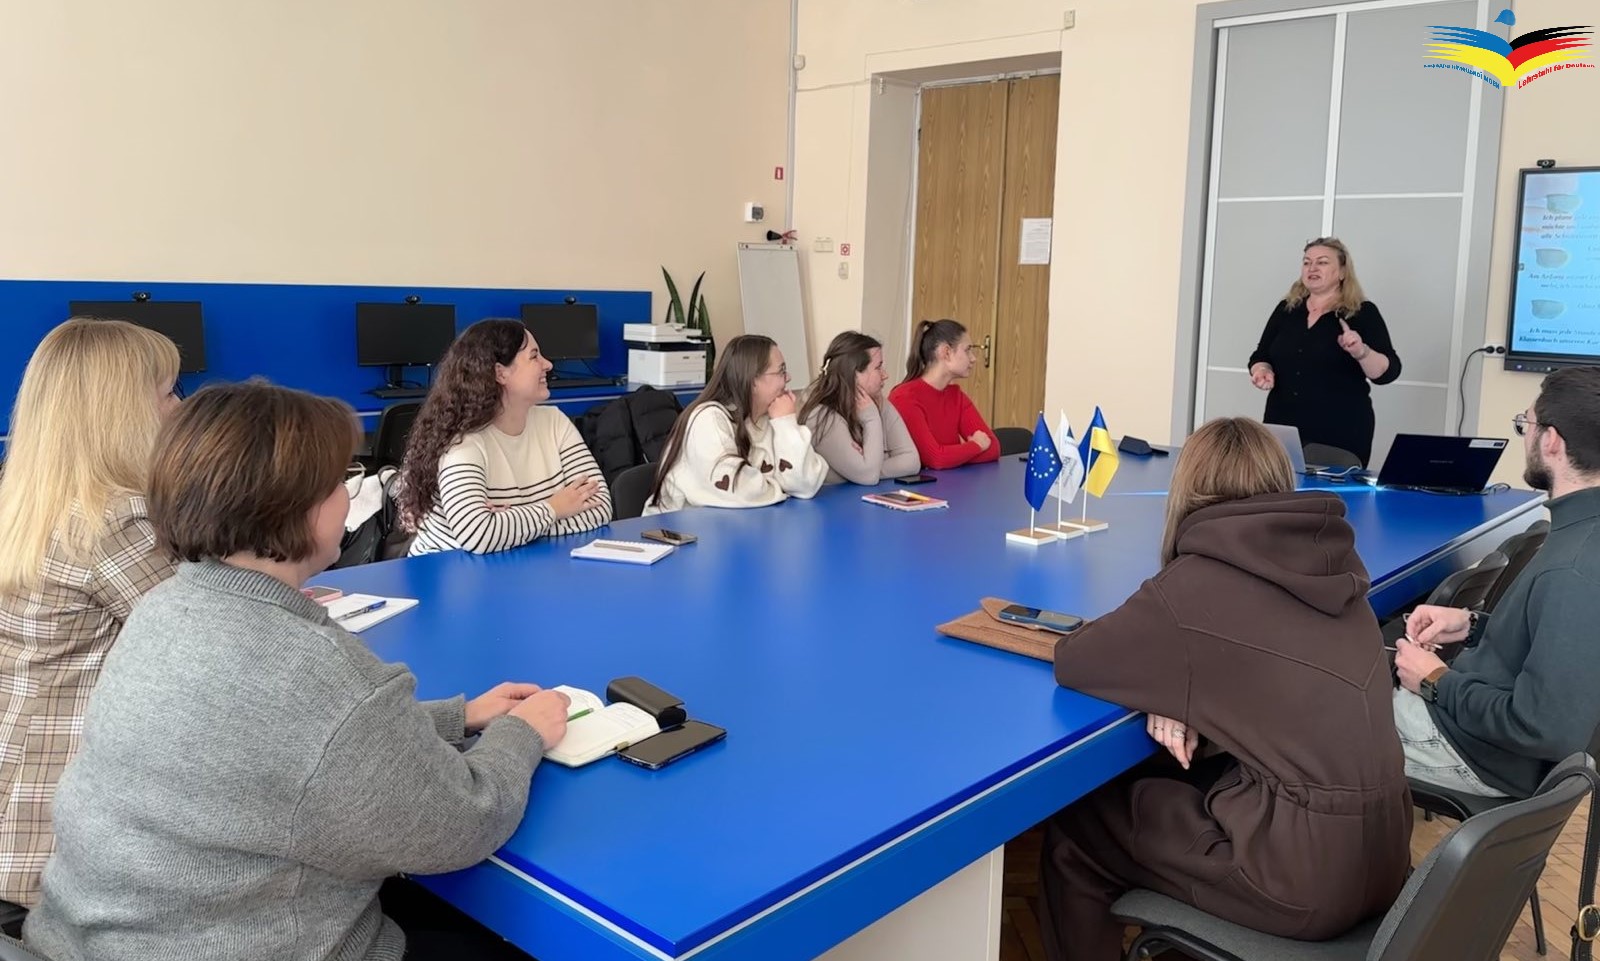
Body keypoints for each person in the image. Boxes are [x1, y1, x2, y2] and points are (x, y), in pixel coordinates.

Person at [24, 381, 571, 961]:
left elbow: (277, 743)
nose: (349, 497)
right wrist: (523, 733)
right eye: (340, 482)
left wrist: (458, 717)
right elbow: (461, 826)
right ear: (295, 508)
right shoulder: (315, 672)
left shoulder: (164, 608)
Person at [1040, 417, 1411, 961]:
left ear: (1186, 489)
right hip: (1388, 859)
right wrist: (1180, 688)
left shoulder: (1192, 586)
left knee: (1077, 826)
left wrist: (1168, 687)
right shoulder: (1338, 570)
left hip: (1297, 881)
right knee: (1180, 786)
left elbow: (1077, 659)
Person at [0, 319, 182, 919]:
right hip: (53, 842)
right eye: (169, 393)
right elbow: (212, 645)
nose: (180, 409)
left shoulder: (28, 503)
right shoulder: (115, 523)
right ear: (122, 414)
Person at [1394, 366, 1600, 799]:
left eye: (1526, 425)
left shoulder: (1574, 567)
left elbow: (1544, 729)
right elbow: (1561, 647)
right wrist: (1473, 625)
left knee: (1303, 727)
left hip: (1476, 751)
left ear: (1551, 441)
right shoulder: (1580, 532)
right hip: (1479, 729)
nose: (1525, 437)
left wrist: (1435, 680)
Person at [398, 318, 610, 555]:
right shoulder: (463, 443)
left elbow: (600, 507)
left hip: (519, 562)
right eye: (534, 356)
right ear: (500, 373)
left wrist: (508, 529)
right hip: (447, 569)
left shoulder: (555, 422)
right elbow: (478, 535)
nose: (548, 364)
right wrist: (554, 508)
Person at [1247, 237, 1401, 467]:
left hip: (1339, 434)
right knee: (1278, 488)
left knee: (1330, 489)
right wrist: (1262, 370)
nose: (1312, 268)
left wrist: (1361, 352)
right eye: (1307, 262)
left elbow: (1388, 372)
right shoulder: (1287, 309)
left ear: (1342, 272)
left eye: (1322, 262)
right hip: (1283, 430)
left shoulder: (1362, 312)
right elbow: (1261, 356)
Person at [645, 334, 826, 512]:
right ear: (753, 380)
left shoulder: (772, 418)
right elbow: (737, 490)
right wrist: (783, 489)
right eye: (781, 371)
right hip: (678, 527)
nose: (788, 377)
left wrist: (786, 423)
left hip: (741, 523)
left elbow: (806, 485)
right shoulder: (708, 420)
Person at [798, 331, 920, 485]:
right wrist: (871, 419)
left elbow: (912, 461)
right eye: (878, 367)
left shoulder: (878, 402)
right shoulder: (820, 416)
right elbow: (868, 476)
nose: (885, 375)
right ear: (854, 374)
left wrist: (867, 466)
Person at [888, 319, 1000, 470]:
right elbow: (936, 459)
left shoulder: (956, 396)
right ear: (946, 352)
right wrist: (977, 445)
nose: (973, 358)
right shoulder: (904, 397)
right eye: (967, 350)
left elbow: (993, 448)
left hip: (951, 482)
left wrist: (954, 456)